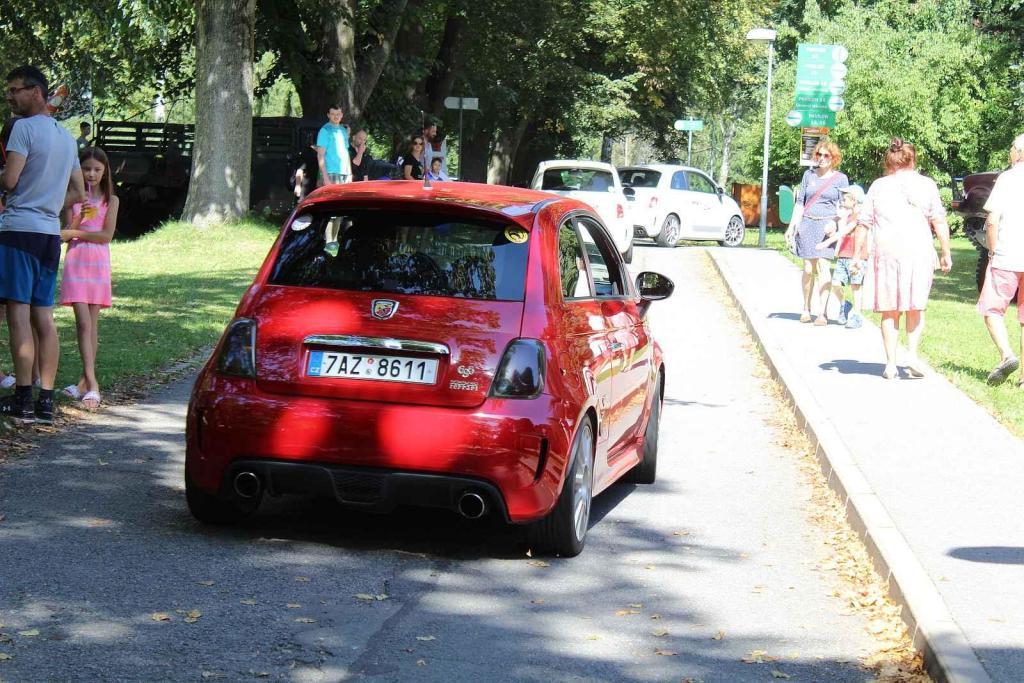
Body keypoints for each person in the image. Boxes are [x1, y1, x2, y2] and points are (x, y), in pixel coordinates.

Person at [0, 65, 86, 423]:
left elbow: (10, 180)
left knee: (18, 318)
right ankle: (46, 401)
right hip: (49, 235)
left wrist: (17, 187)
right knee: (45, 319)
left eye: (15, 90)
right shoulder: (66, 138)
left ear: (36, 91)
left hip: (18, 230)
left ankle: (21, 400)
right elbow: (80, 192)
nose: (10, 97)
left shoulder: (22, 129)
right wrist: (49, 199)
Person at [857, 138, 952, 380]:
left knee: (889, 310)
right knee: (915, 306)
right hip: (918, 252)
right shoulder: (928, 185)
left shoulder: (878, 186)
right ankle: (911, 354)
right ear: (913, 159)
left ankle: (890, 364)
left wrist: (858, 255)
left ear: (889, 162)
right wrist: (946, 252)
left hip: (886, 253)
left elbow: (863, 223)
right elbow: (939, 220)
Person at [59, 147, 118, 409]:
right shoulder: (71, 198)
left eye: (97, 169)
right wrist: (79, 218)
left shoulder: (110, 200)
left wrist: (77, 233)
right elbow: (64, 234)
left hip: (97, 263)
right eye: (87, 169)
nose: (91, 174)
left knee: (91, 325)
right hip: (76, 262)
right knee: (83, 323)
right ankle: (91, 383)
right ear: (79, 170)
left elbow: (106, 236)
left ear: (105, 171)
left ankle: (88, 382)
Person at [784, 139, 850, 325]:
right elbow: (800, 203)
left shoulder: (840, 179)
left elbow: (846, 207)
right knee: (807, 269)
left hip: (826, 229)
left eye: (825, 155)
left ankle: (822, 313)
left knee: (823, 268)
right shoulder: (808, 175)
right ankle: (806, 308)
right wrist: (792, 227)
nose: (821, 158)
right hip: (807, 225)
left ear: (833, 158)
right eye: (818, 155)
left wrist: (836, 224)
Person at [977, 133, 1024, 386]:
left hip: (1007, 257)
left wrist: (992, 251)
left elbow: (992, 219)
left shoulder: (1007, 179)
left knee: (992, 310)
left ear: (1017, 152)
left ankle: (1007, 354)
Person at [817, 185, 867, 328]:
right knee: (836, 283)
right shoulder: (848, 215)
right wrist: (837, 250)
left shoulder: (861, 216)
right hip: (844, 256)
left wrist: (825, 243)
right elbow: (841, 235)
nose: (842, 200)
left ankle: (857, 315)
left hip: (858, 257)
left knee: (856, 286)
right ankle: (844, 304)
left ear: (854, 200)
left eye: (845, 198)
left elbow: (844, 231)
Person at [315, 105, 351, 186]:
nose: (336, 116)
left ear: (341, 115)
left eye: (338, 114)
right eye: (333, 114)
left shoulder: (343, 131)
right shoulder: (325, 130)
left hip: (344, 174)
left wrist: (349, 174)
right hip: (330, 173)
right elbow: (320, 155)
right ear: (328, 115)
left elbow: (346, 153)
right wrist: (325, 177)